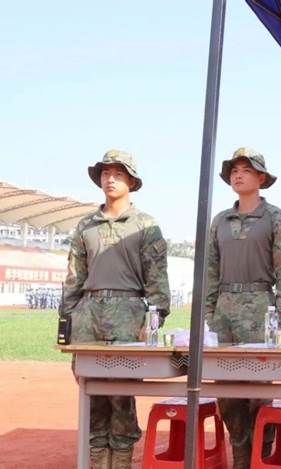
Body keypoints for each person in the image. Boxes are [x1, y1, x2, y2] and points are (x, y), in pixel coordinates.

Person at [61, 149, 170, 469]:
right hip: (88, 314)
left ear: (131, 182)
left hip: (128, 314)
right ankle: (97, 461)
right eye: (106, 173)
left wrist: (154, 319)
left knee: (122, 394)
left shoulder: (145, 225)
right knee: (91, 390)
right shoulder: (85, 226)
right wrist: (67, 319)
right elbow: (74, 276)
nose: (110, 179)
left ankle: (121, 461)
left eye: (118, 174)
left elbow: (157, 278)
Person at [205, 147, 281, 469]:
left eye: (246, 170)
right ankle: (240, 460)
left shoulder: (275, 218)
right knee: (228, 395)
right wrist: (209, 317)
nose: (238, 175)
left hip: (261, 308)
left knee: (258, 393)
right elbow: (210, 272)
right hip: (224, 313)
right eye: (234, 170)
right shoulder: (220, 221)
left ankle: (262, 457)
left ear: (261, 178)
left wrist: (280, 317)